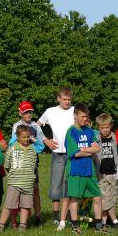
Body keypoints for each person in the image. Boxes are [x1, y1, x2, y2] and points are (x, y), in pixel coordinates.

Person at [60, 104, 106, 234]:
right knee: (74, 198)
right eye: (83, 116)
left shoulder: (90, 131)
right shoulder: (71, 132)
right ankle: (75, 226)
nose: (85, 119)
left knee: (97, 196)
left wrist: (84, 149)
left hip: (89, 170)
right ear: (75, 116)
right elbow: (75, 154)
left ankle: (98, 226)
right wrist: (88, 151)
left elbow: (97, 148)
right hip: (75, 170)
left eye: (87, 117)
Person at [38, 88, 74, 225]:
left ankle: (71, 215)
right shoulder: (50, 111)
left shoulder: (75, 110)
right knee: (55, 184)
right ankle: (55, 216)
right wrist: (46, 140)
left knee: (71, 184)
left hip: (73, 153)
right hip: (57, 152)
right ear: (58, 98)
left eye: (69, 99)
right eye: (64, 99)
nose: (67, 102)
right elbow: (36, 126)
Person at [0, 125, 37, 232]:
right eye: (23, 137)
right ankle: (1, 224)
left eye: (28, 137)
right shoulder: (12, 149)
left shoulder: (32, 149)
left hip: (28, 182)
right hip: (14, 182)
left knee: (26, 205)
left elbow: (33, 164)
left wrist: (30, 177)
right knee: (9, 204)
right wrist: (14, 174)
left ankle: (22, 225)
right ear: (17, 137)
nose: (26, 139)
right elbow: (7, 165)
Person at [10, 101, 45, 226]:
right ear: (20, 113)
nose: (28, 114)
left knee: (35, 189)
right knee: (17, 190)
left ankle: (37, 216)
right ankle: (15, 219)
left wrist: (33, 139)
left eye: (30, 112)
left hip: (32, 162)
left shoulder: (36, 126)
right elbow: (12, 143)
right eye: (25, 112)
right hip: (19, 161)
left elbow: (41, 143)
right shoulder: (16, 126)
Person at [94, 113, 118, 228]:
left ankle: (104, 220)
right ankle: (114, 220)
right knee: (104, 198)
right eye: (102, 128)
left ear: (111, 126)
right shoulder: (96, 140)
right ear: (98, 128)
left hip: (114, 173)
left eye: (107, 127)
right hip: (102, 174)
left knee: (113, 198)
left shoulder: (115, 138)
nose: (105, 130)